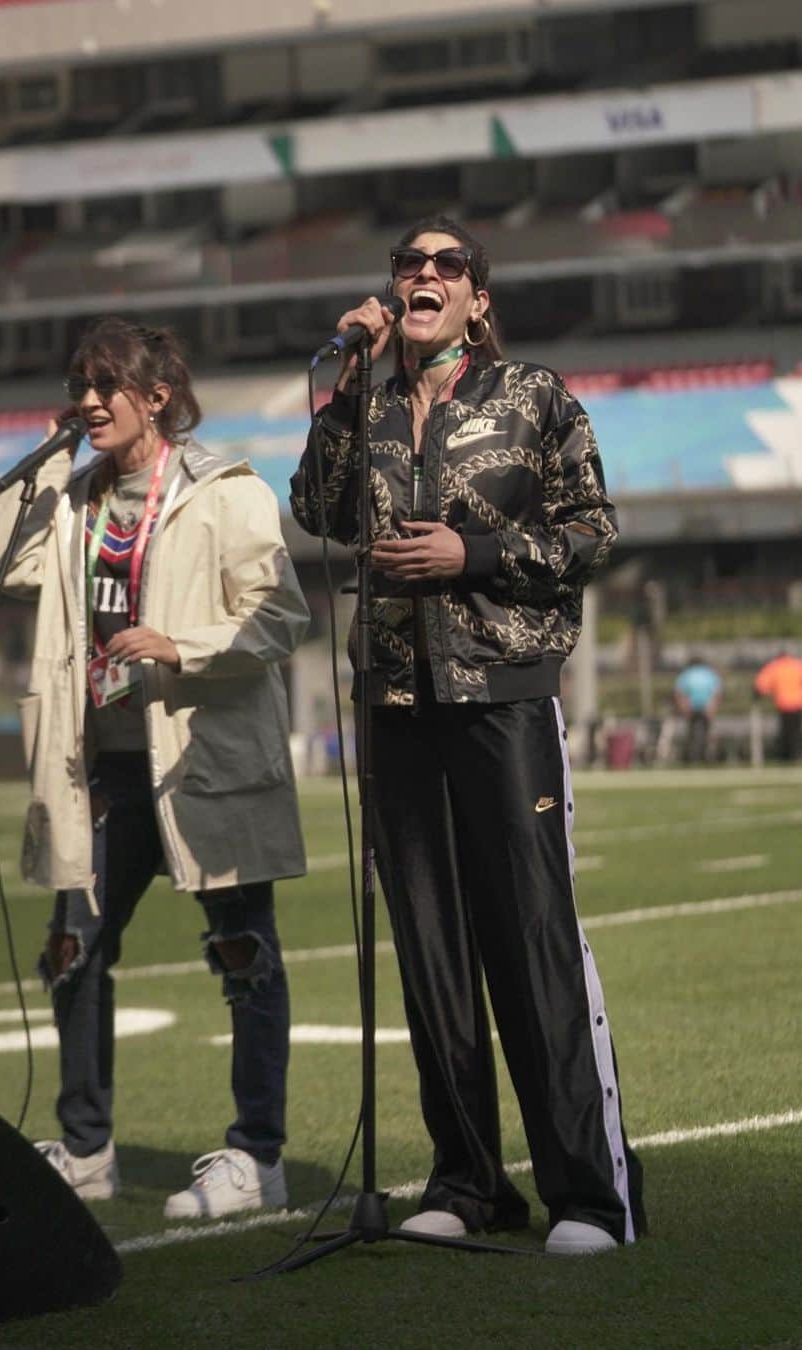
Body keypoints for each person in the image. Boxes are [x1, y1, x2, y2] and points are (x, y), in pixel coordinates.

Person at [290, 215, 645, 1256]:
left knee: (530, 942)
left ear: (478, 299)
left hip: (503, 693)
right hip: (395, 701)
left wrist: (472, 553)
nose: (427, 275)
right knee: (432, 952)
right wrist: (349, 387)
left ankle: (589, 1194)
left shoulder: (533, 395)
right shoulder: (370, 397)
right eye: (411, 263)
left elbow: (594, 528)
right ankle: (470, 1180)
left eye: (449, 265)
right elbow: (313, 504)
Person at [0, 316, 309, 1218]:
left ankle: (258, 1157)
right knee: (72, 953)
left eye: (103, 385)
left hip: (200, 761)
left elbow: (280, 618)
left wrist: (180, 644)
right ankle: (85, 1151)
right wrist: (46, 458)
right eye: (77, 385)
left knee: (245, 958)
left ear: (156, 398)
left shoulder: (226, 493)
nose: (86, 401)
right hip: (101, 770)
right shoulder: (73, 498)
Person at [754, 648, 802, 761]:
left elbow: (761, 686)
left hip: (783, 703)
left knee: (786, 732)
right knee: (797, 732)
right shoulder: (799, 665)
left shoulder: (774, 667)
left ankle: (787, 756)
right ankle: (797, 755)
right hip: (799, 703)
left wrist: (759, 695)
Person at [674, 654, 722, 763]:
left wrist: (684, 706)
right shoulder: (710, 674)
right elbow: (717, 692)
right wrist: (713, 706)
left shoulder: (686, 674)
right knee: (706, 733)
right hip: (707, 706)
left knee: (691, 732)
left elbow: (679, 692)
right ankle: (704, 757)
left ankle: (693, 757)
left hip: (691, 706)